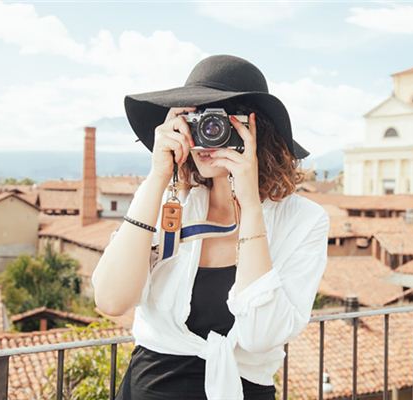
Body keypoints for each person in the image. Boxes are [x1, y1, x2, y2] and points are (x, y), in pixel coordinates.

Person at [91, 55, 330, 400]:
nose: (206, 133)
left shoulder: (303, 221)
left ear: (255, 130)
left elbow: (260, 336)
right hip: (150, 387)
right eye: (194, 119)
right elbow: (112, 299)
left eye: (218, 120)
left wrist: (250, 205)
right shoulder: (169, 201)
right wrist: (158, 176)